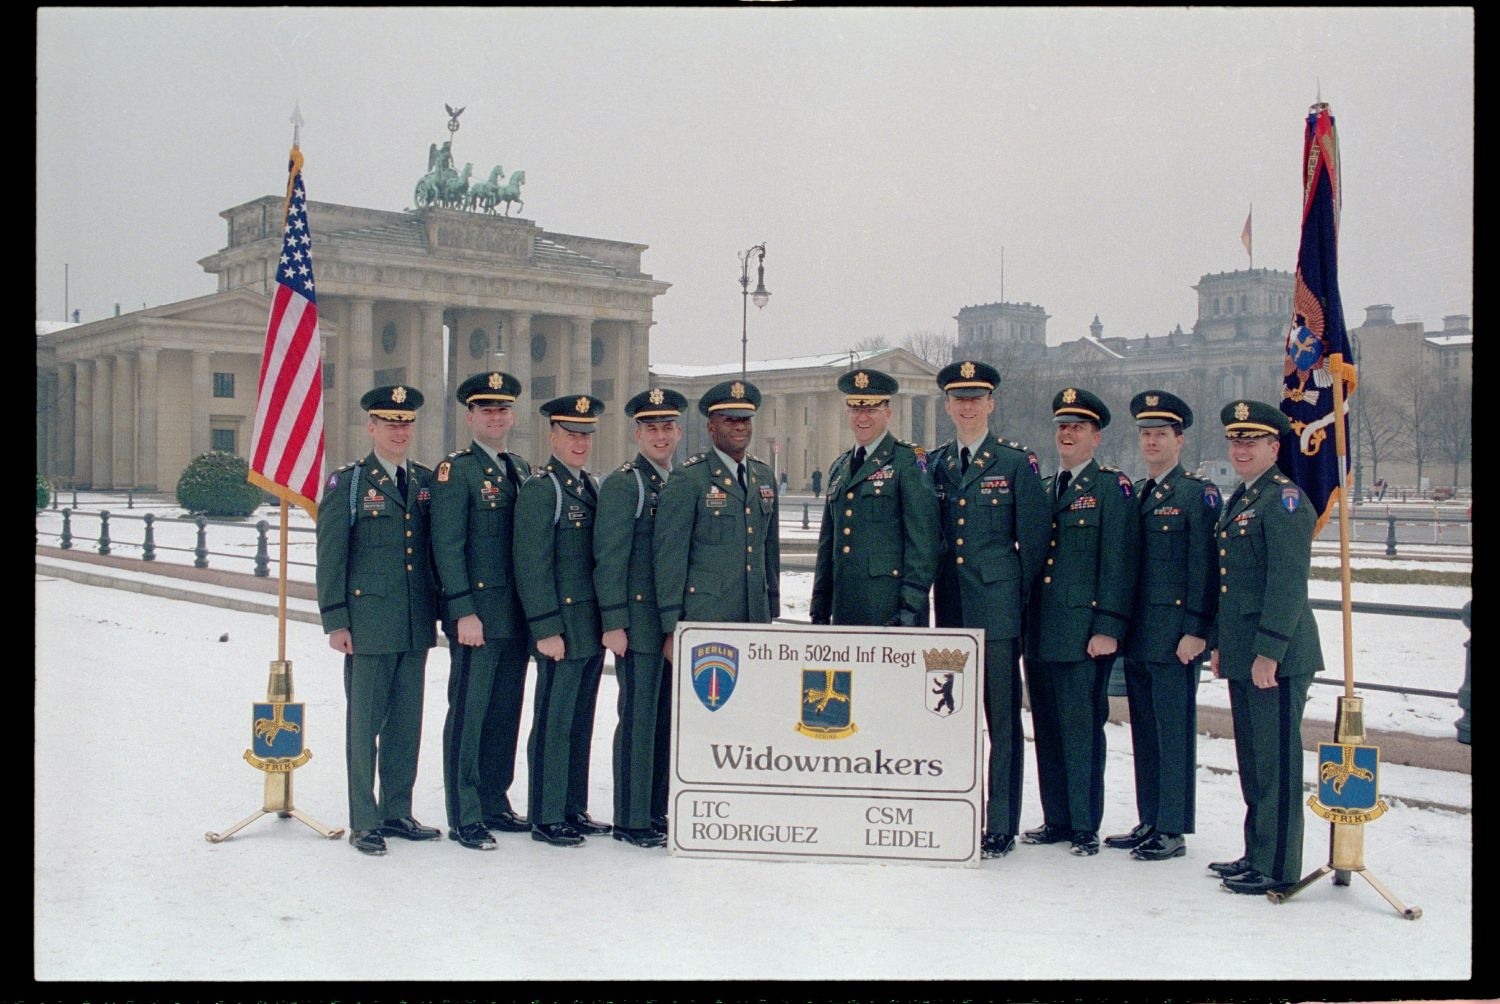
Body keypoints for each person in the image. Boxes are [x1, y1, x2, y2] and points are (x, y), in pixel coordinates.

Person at [929, 360, 1049, 859]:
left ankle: (1001, 821)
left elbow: (1036, 544)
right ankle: (956, 808)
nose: (967, 407)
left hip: (997, 613)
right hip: (951, 610)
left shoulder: (1016, 464)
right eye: (959, 399)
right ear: (948, 405)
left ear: (991, 404)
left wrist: (1016, 605)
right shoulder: (935, 463)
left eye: (976, 398)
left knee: (1001, 721)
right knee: (950, 715)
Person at [315, 384, 440, 856]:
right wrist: (336, 620)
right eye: (390, 422)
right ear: (371, 427)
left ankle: (396, 810)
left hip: (413, 622)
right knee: (363, 725)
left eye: (406, 422)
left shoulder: (425, 482)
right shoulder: (347, 483)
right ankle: (364, 820)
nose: (399, 430)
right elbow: (331, 555)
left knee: (406, 723)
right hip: (367, 625)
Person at [1208, 400, 1323, 895]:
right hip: (1245, 651)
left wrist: (1269, 652)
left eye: (1251, 441)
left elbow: (1287, 584)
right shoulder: (1245, 498)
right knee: (1254, 760)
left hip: (1276, 655)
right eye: (1235, 441)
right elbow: (1231, 584)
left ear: (1274, 447)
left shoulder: (1285, 500)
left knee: (1276, 763)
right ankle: (1256, 852)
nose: (1240, 449)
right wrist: (1223, 646)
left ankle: (1277, 865)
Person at [1022, 386, 1140, 857]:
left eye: (1078, 427)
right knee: (1048, 728)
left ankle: (1085, 823)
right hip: (1042, 630)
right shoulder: (1046, 487)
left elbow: (1119, 562)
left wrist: (1108, 626)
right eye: (1062, 427)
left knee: (1082, 728)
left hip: (1084, 632)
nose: (1067, 434)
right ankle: (1057, 819)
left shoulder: (1111, 488)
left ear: (1096, 437)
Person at [1106, 390, 1220, 862]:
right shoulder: (1140, 491)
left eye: (1161, 434)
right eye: (1146, 434)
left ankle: (1172, 828)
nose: (1151, 442)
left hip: (1176, 637)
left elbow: (1205, 568)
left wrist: (1198, 630)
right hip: (1141, 635)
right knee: (1145, 733)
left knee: (1173, 732)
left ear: (1180, 440)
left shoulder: (1196, 494)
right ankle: (1150, 818)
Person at [429, 371, 533, 851]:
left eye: (503, 409)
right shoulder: (457, 471)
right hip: (477, 618)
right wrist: (461, 611)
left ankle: (495, 799)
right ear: (469, 416)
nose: (496, 417)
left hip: (514, 615)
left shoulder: (521, 469)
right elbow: (447, 547)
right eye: (486, 409)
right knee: (470, 713)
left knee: (505, 712)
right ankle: (465, 813)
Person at [514, 394, 611, 847]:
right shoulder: (543, 488)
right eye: (571, 434)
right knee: (554, 721)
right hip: (562, 629)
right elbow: (531, 564)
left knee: (579, 721)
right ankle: (546, 813)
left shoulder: (588, 485)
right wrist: (546, 628)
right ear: (552, 436)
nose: (579, 442)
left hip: (588, 626)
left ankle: (572, 806)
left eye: (585, 435)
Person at [593, 387, 688, 849]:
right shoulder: (624, 483)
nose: (661, 435)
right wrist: (613, 621)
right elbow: (608, 558)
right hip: (636, 624)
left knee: (662, 723)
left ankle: (655, 810)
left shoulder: (673, 482)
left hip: (668, 626)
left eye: (667, 427)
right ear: (637, 433)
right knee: (637, 720)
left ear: (679, 432)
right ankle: (631, 819)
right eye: (651, 428)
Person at [810, 367, 939, 627]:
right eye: (856, 409)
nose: (862, 417)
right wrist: (819, 609)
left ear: (887, 413)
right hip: (845, 609)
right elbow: (828, 546)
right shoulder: (840, 467)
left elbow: (923, 544)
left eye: (871, 409)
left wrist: (910, 609)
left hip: (890, 611)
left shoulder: (908, 461)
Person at [654, 380, 780, 631]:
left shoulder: (764, 475)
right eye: (729, 420)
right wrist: (670, 626)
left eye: (745, 420)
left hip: (755, 614)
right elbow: (670, 558)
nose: (739, 427)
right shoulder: (689, 478)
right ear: (711, 427)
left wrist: (772, 604)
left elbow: (769, 548)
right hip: (706, 616)